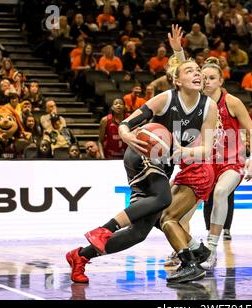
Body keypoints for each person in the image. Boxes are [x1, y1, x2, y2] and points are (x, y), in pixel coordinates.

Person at [66, 29, 218, 284]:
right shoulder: (166, 98)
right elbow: (127, 122)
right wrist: (124, 134)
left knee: (138, 232)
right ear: (178, 80)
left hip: (164, 162)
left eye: (199, 72)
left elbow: (208, 149)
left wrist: (184, 152)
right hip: (141, 153)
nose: (197, 74)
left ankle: (80, 256)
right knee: (163, 197)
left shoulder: (208, 108)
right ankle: (106, 230)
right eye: (190, 71)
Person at [166, 25, 252, 271]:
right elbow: (185, 73)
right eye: (202, 76)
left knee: (220, 193)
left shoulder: (233, 102)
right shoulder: (198, 101)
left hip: (232, 163)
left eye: (210, 77)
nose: (205, 80)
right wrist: (179, 52)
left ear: (220, 80)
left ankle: (212, 248)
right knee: (183, 212)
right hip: (205, 163)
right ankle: (184, 249)